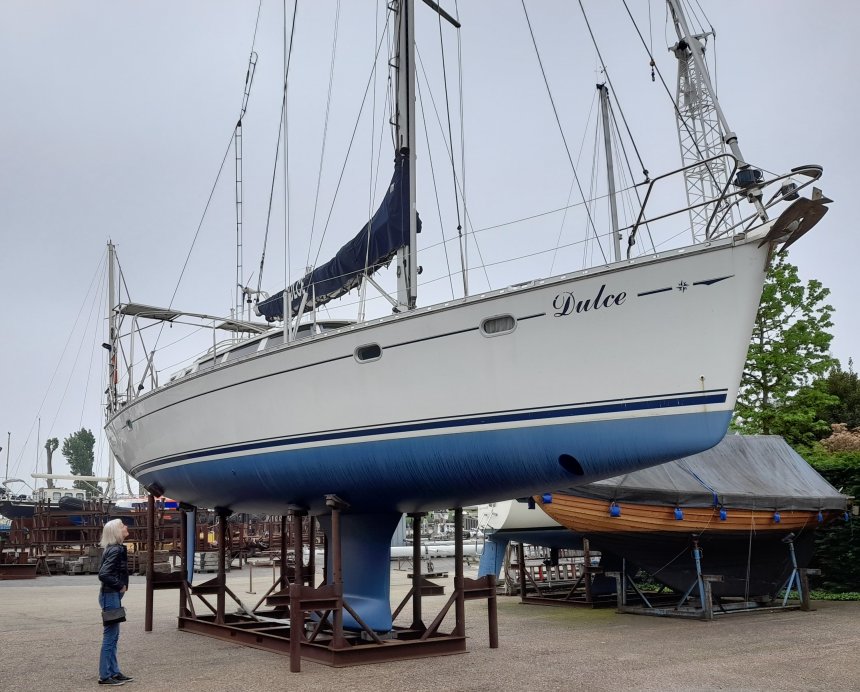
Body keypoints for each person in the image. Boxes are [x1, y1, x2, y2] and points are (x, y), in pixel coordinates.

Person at [97, 519, 133, 686]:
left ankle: (114, 672)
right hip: (110, 594)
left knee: (114, 635)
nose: (126, 527)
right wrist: (121, 586)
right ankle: (105, 676)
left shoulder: (113, 548)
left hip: (110, 595)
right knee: (110, 636)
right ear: (116, 532)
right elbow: (104, 574)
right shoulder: (116, 550)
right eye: (122, 526)